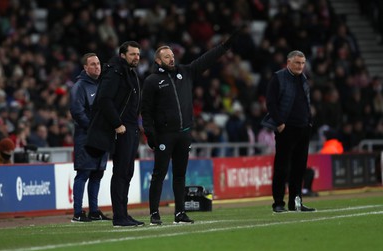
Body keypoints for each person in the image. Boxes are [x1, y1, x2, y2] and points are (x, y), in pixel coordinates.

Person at [141, 28, 241, 225]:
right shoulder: (152, 81)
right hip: (164, 135)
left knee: (180, 175)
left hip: (184, 134)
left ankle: (180, 213)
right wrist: (151, 135)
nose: (172, 59)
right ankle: (154, 213)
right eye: (167, 57)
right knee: (159, 175)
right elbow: (146, 111)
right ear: (158, 61)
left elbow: (206, 59)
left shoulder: (185, 72)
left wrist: (225, 47)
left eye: (172, 55)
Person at [85, 41, 144, 227]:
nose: (136, 57)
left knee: (127, 172)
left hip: (132, 128)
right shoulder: (115, 71)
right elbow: (104, 100)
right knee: (120, 172)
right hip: (122, 128)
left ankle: (124, 214)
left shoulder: (129, 72)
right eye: (133, 54)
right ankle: (119, 216)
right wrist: (117, 124)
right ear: (123, 55)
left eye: (138, 54)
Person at [261, 50, 316, 213]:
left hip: (303, 128)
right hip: (286, 129)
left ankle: (295, 202)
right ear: (288, 62)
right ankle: (278, 203)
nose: (301, 66)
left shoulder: (304, 79)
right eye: (298, 63)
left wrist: (309, 121)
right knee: (282, 167)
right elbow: (270, 103)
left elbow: (306, 102)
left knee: (299, 168)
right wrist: (279, 123)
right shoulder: (278, 78)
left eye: (303, 63)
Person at [69, 53, 111, 223]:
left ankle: (94, 210)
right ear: (85, 68)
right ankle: (78, 213)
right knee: (83, 173)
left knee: (97, 173)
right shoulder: (79, 86)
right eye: (93, 64)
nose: (97, 67)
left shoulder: (103, 84)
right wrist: (94, 128)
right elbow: (77, 112)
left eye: (98, 63)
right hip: (86, 137)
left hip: (102, 136)